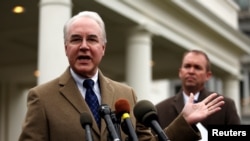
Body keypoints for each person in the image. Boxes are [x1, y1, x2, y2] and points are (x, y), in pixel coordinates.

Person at [19, 11, 225, 141]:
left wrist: (185, 121)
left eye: (91, 39)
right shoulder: (42, 97)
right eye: (75, 39)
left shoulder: (126, 95)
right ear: (66, 48)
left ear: (103, 48)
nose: (83, 46)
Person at [156, 50, 241, 131]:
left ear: (208, 75)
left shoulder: (225, 106)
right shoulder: (160, 110)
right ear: (180, 72)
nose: (191, 71)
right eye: (187, 66)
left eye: (197, 67)